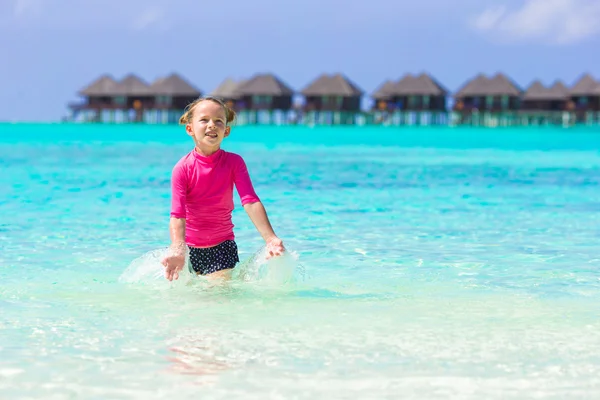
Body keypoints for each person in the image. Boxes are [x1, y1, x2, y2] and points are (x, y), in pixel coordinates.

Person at [161, 96, 285, 281]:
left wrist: (270, 238)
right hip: (190, 250)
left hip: (222, 247)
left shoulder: (234, 162)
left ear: (226, 131)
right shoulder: (182, 168)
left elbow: (250, 201)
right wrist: (177, 247)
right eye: (204, 120)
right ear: (190, 129)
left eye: (218, 121)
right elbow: (178, 215)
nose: (212, 125)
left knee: (217, 293)